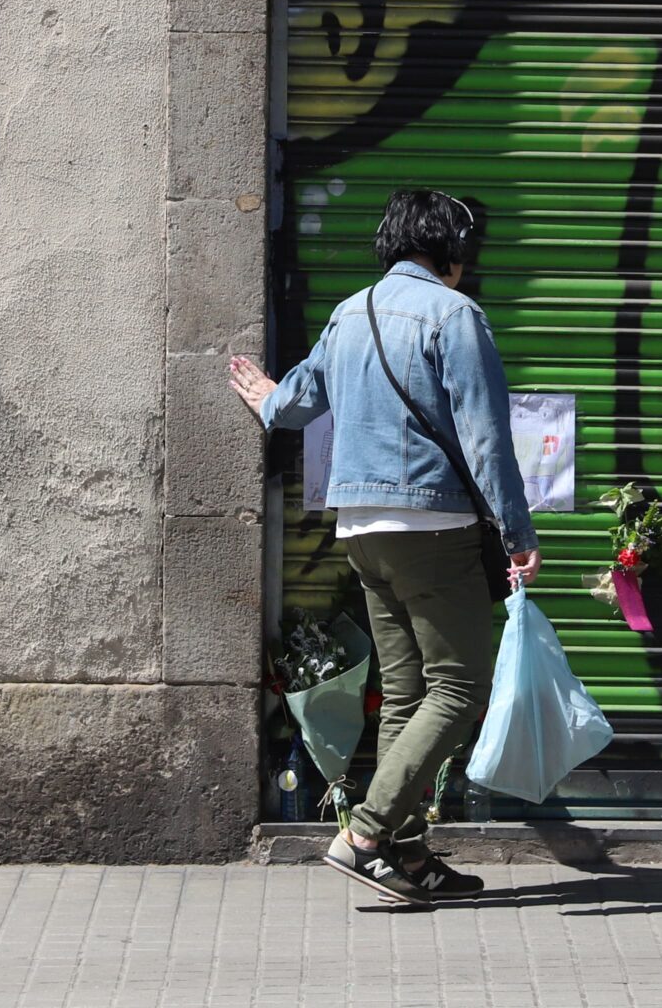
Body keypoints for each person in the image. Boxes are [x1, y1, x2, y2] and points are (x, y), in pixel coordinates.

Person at [230, 189, 540, 906]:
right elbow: (486, 435)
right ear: (450, 250)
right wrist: (517, 532)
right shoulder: (454, 315)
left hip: (361, 528)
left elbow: (296, 403)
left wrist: (266, 396)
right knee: (460, 688)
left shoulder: (350, 313)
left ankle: (407, 853)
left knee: (406, 694)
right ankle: (366, 833)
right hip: (431, 526)